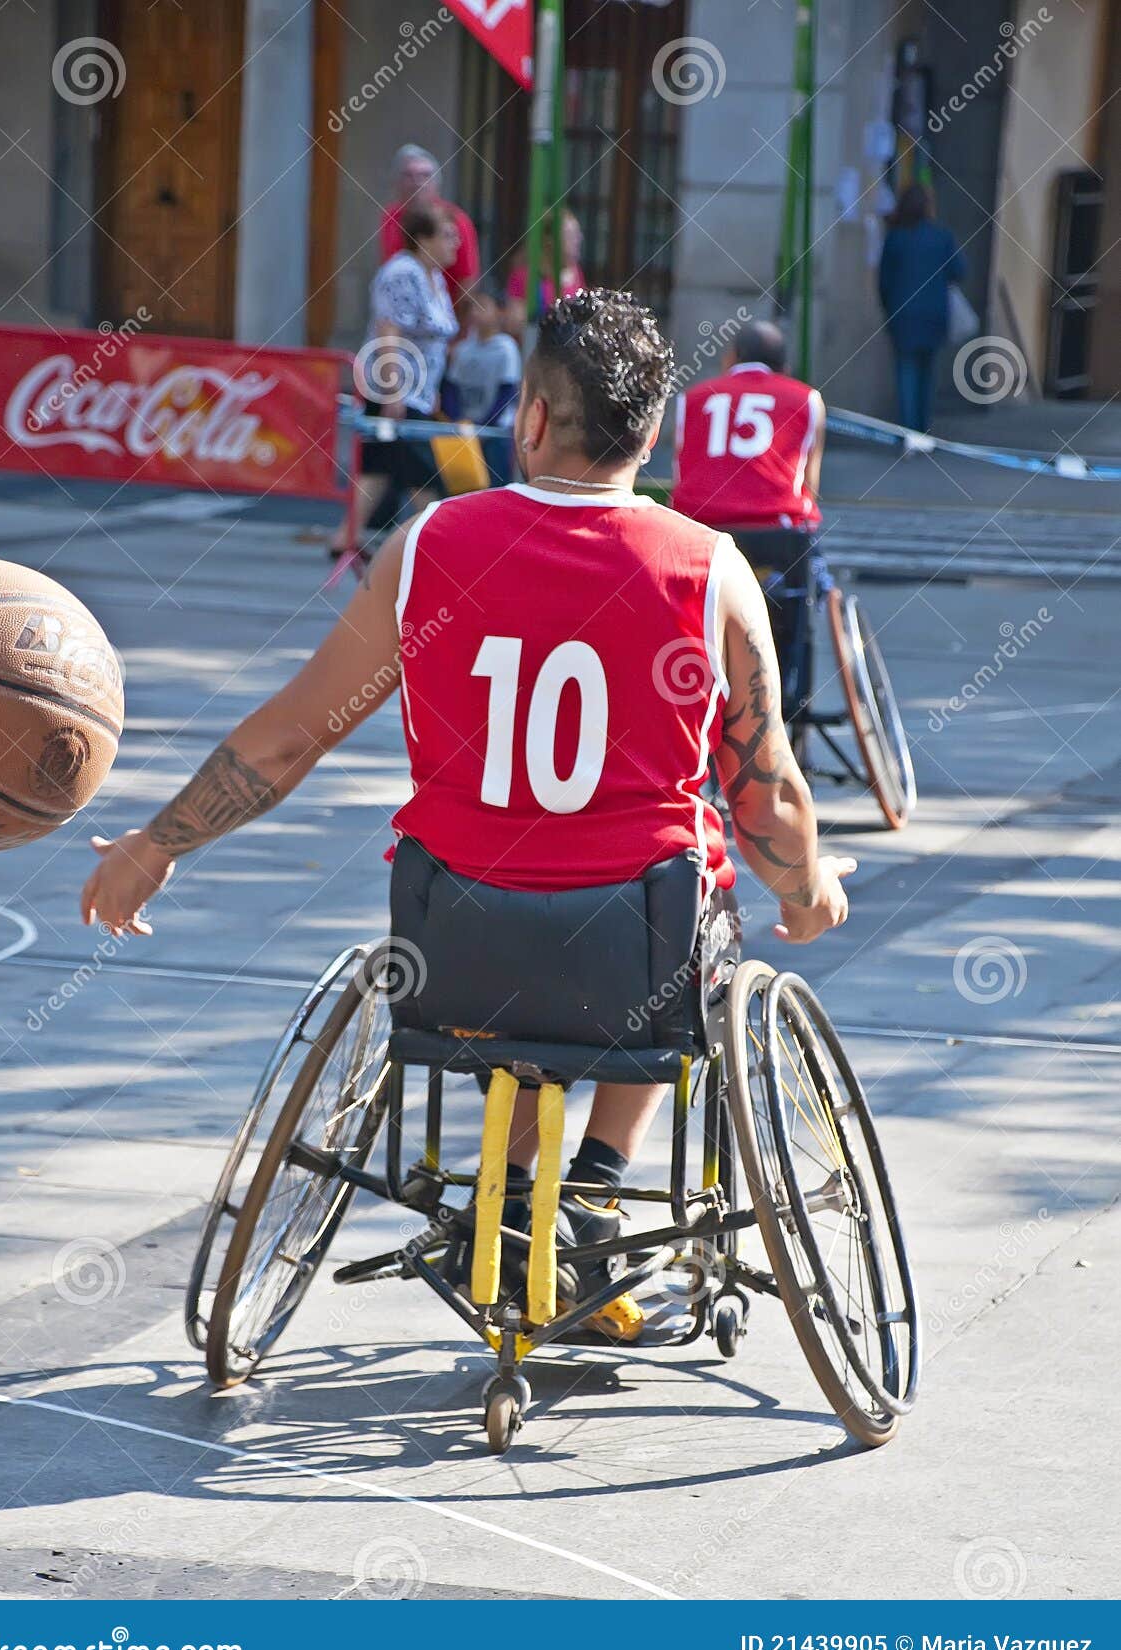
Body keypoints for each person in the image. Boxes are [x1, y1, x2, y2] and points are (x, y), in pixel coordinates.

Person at [81, 289, 853, 1334]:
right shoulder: (707, 568)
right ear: (653, 430)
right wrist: (807, 891)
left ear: (530, 416)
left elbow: (290, 736)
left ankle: (519, 1201)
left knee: (521, 966)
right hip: (636, 953)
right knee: (693, 889)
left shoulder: (429, 543)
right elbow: (765, 793)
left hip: (457, 945)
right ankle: (589, 1184)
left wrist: (155, 841)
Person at [671, 319, 831, 727]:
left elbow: (680, 473)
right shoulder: (805, 399)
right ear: (783, 365)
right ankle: (787, 691)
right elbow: (809, 483)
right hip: (778, 534)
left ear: (731, 358)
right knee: (808, 590)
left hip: (704, 531)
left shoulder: (693, 398)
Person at [330, 205, 459, 560]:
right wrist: (394, 389)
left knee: (381, 466)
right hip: (396, 390)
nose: (456, 244)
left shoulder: (433, 278)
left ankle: (345, 537)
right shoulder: (404, 273)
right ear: (423, 240)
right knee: (424, 474)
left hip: (420, 392)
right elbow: (390, 331)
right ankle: (434, 545)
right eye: (447, 235)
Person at [879, 183, 965, 433]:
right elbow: (960, 271)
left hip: (903, 314)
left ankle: (908, 432)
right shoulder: (942, 236)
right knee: (928, 373)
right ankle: (923, 429)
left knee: (906, 371)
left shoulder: (895, 238)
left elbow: (884, 282)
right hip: (934, 314)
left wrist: (888, 310)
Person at [378, 144, 480, 307]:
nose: (417, 182)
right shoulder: (390, 217)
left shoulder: (456, 220)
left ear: (436, 184)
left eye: (425, 175)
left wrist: (457, 329)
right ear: (397, 183)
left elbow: (467, 282)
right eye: (408, 175)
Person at [442, 282, 521, 485]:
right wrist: (459, 420)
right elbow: (451, 388)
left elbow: (507, 393)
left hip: (494, 434)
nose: (476, 312)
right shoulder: (463, 350)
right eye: (473, 307)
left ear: (500, 311)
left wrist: (484, 426)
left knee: (495, 488)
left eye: (483, 306)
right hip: (464, 433)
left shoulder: (506, 349)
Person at [505, 211, 586, 339]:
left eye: (578, 234)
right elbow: (513, 325)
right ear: (550, 241)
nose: (579, 239)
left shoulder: (575, 273)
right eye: (570, 235)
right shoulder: (525, 276)